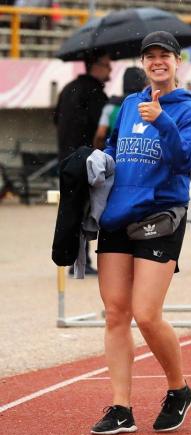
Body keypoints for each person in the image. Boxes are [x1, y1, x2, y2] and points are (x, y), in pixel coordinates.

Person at [90, 31, 191, 435]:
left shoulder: (189, 110)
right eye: (150, 57)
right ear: (143, 64)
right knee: (116, 313)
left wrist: (165, 123)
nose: (157, 62)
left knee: (146, 313)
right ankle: (121, 407)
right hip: (117, 216)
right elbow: (118, 151)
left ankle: (179, 389)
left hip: (160, 217)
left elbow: (188, 160)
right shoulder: (128, 104)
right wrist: (97, 162)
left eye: (165, 56)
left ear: (178, 63)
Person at [53, 50, 111, 275]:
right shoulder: (95, 93)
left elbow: (56, 119)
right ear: (95, 65)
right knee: (88, 210)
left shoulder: (68, 89)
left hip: (66, 159)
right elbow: (101, 131)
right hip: (87, 160)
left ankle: (71, 257)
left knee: (70, 209)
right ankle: (81, 260)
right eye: (107, 65)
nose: (111, 70)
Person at [93, 67, 147, 150]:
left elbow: (100, 136)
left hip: (116, 154)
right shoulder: (147, 105)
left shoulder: (111, 106)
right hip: (139, 154)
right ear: (143, 84)